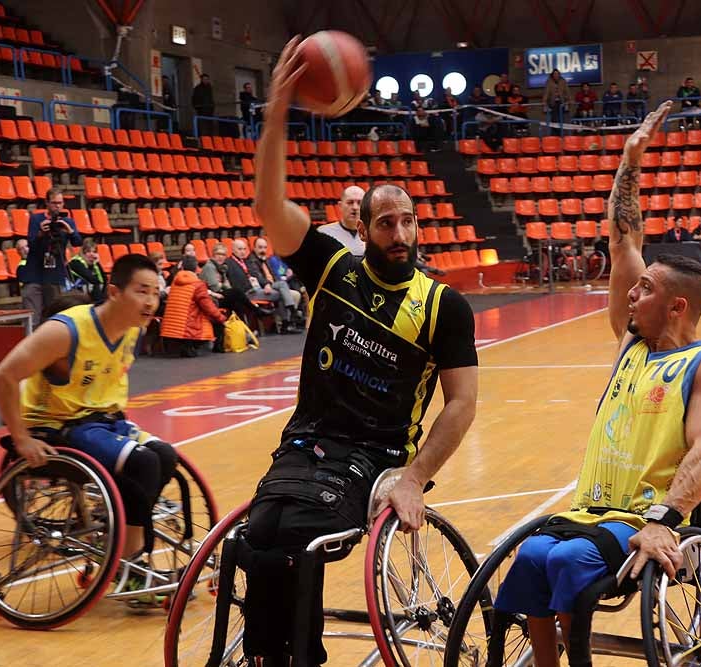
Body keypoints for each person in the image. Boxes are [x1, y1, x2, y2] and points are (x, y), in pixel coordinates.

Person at [243, 34, 479, 666]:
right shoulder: (331, 267)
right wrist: (277, 112)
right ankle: (271, 656)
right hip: (307, 439)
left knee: (296, 534)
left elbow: (461, 404)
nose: (399, 233)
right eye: (384, 223)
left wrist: (415, 477)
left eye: (407, 220)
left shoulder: (443, 306)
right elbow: (268, 205)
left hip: (376, 456)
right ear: (364, 229)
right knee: (257, 535)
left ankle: (301, 658)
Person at [492, 101, 701, 667]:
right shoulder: (630, 343)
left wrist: (663, 522)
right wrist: (630, 160)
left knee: (565, 561)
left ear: (677, 306)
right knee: (530, 557)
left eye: (645, 288)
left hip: (645, 520)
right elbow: (623, 241)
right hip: (590, 511)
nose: (631, 292)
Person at [0, 254, 178, 602]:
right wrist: (21, 438)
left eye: (156, 292)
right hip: (55, 426)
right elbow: (4, 375)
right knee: (143, 464)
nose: (151, 301)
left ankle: (117, 541)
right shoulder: (66, 331)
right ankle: (130, 566)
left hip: (98, 421)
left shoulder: (132, 329)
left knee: (164, 456)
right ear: (114, 292)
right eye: (142, 291)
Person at [23, 188, 82, 326]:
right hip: (35, 272)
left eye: (60, 203)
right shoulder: (36, 219)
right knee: (32, 317)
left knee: (54, 316)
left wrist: (70, 231)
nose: (57, 206)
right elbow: (31, 244)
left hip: (55, 273)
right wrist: (40, 233)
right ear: (47, 203)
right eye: (54, 203)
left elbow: (77, 242)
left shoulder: (67, 221)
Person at [161, 255, 228, 356]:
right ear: (196, 268)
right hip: (187, 327)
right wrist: (221, 318)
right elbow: (208, 307)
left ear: (182, 267)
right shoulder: (198, 284)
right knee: (214, 318)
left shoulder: (175, 282)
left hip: (171, 327)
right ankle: (217, 347)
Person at [247, 237, 304, 333]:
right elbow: (256, 275)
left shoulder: (265, 259)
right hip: (263, 287)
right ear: (254, 248)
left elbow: (274, 275)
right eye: (260, 247)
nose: (263, 250)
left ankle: (289, 322)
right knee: (282, 288)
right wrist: (267, 283)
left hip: (273, 285)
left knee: (296, 294)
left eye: (265, 247)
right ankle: (290, 317)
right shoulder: (251, 260)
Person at [318, 186, 366, 256]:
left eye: (359, 203)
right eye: (350, 202)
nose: (355, 207)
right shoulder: (324, 233)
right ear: (340, 206)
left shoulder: (372, 234)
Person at [67, 238, 107, 302]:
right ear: (82, 252)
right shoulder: (76, 262)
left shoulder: (93, 264)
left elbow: (104, 280)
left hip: (88, 295)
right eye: (88, 251)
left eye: (94, 252)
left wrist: (97, 263)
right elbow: (92, 279)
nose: (92, 254)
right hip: (74, 295)